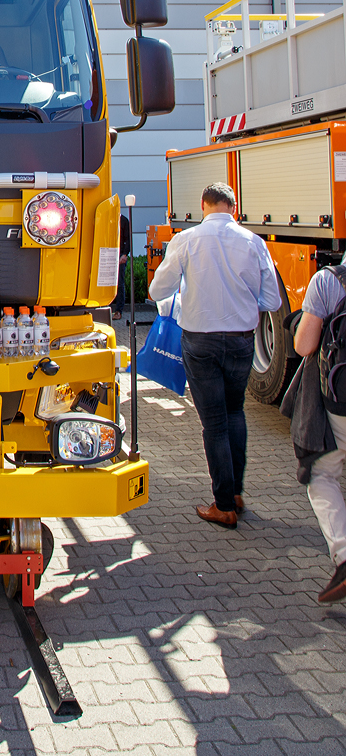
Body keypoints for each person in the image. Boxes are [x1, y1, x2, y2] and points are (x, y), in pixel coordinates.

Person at [149, 182, 280, 528]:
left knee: (214, 424)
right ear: (233, 208)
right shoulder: (254, 242)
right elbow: (272, 300)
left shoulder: (187, 240)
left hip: (200, 341)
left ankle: (223, 506)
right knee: (235, 413)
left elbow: (158, 290)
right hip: (241, 340)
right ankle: (235, 494)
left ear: (203, 205)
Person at [287, 265, 346, 604]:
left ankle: (344, 556)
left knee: (322, 474)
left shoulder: (328, 281)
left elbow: (305, 345)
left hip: (340, 403)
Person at [112, 213, 131, 318]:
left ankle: (118, 311)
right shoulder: (106, 219)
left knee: (119, 284)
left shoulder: (123, 220)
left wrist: (124, 254)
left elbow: (128, 239)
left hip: (119, 254)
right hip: (108, 253)